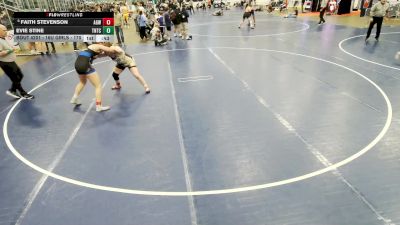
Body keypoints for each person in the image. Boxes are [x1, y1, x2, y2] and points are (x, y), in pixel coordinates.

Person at [71, 43, 116, 112]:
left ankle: (75, 98)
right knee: (98, 86)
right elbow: (110, 50)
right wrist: (116, 48)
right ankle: (99, 106)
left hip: (78, 64)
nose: (102, 51)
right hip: (85, 65)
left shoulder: (91, 48)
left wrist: (106, 54)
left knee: (82, 82)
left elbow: (101, 55)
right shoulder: (98, 46)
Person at [0, 24, 34, 99]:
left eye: (6, 30)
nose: (7, 32)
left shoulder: (3, 39)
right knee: (15, 78)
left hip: (10, 61)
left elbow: (6, 49)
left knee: (20, 75)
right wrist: (11, 50)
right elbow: (0, 54)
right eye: (4, 30)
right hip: (5, 63)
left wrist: (11, 48)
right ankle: (23, 93)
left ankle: (12, 90)